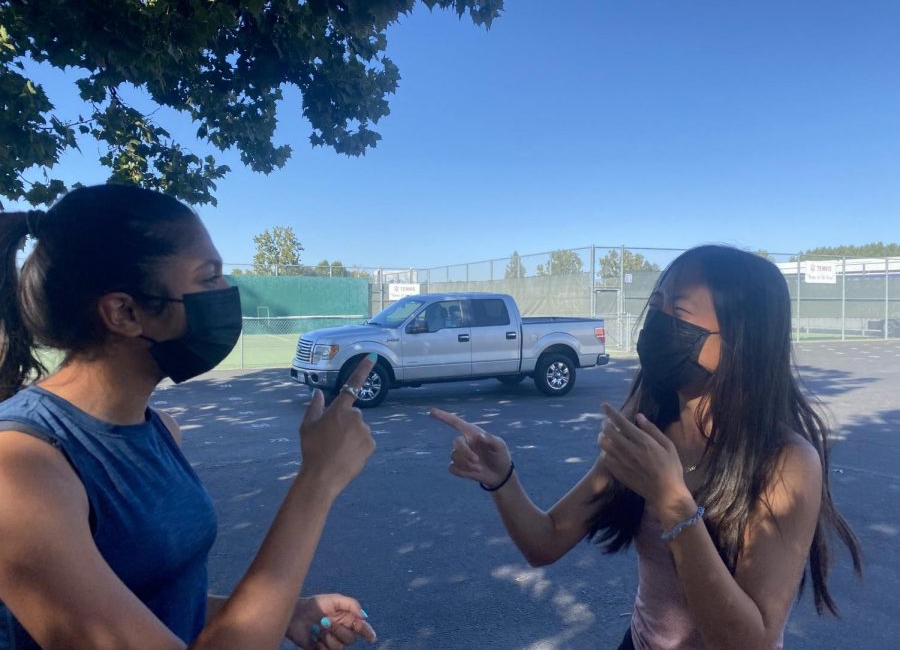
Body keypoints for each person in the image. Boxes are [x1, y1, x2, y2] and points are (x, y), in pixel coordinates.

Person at [0, 184, 378, 650]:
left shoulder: (159, 430)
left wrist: (285, 613)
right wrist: (318, 481)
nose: (226, 293)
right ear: (125, 311)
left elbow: (154, 600)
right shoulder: (20, 471)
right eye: (209, 278)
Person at [432, 245, 862, 650]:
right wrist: (502, 478)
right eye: (655, 306)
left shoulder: (786, 462)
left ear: (738, 338)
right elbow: (546, 540)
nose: (657, 323)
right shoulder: (649, 428)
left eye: (678, 312)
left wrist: (672, 504)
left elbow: (750, 642)